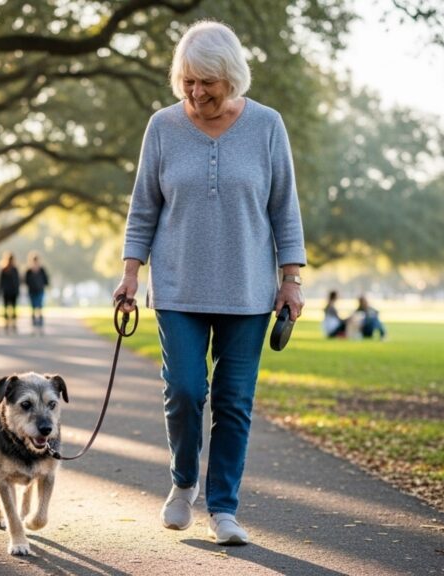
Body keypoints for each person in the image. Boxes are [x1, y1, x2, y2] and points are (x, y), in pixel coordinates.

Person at [112, 21, 306, 546]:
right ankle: (182, 483)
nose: (198, 94)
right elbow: (143, 208)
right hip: (177, 287)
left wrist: (291, 279)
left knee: (234, 401)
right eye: (188, 82)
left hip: (248, 291)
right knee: (184, 391)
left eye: (208, 83)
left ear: (231, 77)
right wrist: (130, 274)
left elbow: (284, 207)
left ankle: (223, 508)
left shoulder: (267, 126)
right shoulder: (162, 127)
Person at [24, 252, 50, 333]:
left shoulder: (42, 269)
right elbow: (26, 281)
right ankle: (34, 324)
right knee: (33, 307)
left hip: (40, 290)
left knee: (40, 306)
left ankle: (40, 324)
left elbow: (46, 279)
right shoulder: (29, 270)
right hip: (32, 291)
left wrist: (44, 284)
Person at [0, 252, 20, 334]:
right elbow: (0, 282)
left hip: (12, 291)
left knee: (12, 309)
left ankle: (13, 324)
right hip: (7, 291)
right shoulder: (4, 269)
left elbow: (17, 281)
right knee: (7, 309)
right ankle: (7, 324)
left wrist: (17, 290)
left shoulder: (14, 269)